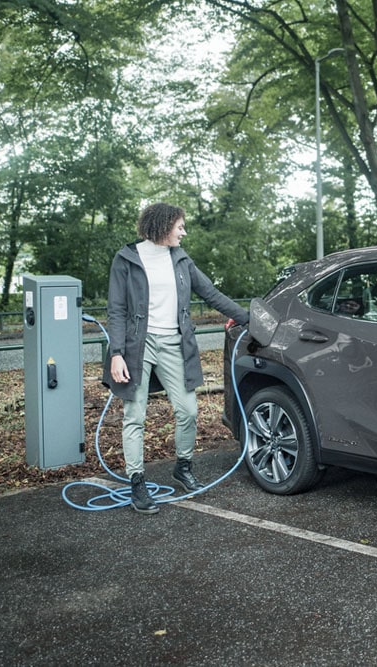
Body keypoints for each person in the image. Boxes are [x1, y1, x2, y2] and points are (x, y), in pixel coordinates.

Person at [104, 202, 249, 514]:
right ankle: (137, 481)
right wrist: (116, 354)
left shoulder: (180, 259)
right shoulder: (127, 259)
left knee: (188, 411)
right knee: (135, 415)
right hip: (137, 345)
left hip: (174, 343)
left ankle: (183, 467)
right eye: (180, 227)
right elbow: (116, 310)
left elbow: (211, 294)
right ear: (162, 226)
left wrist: (250, 318)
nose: (183, 232)